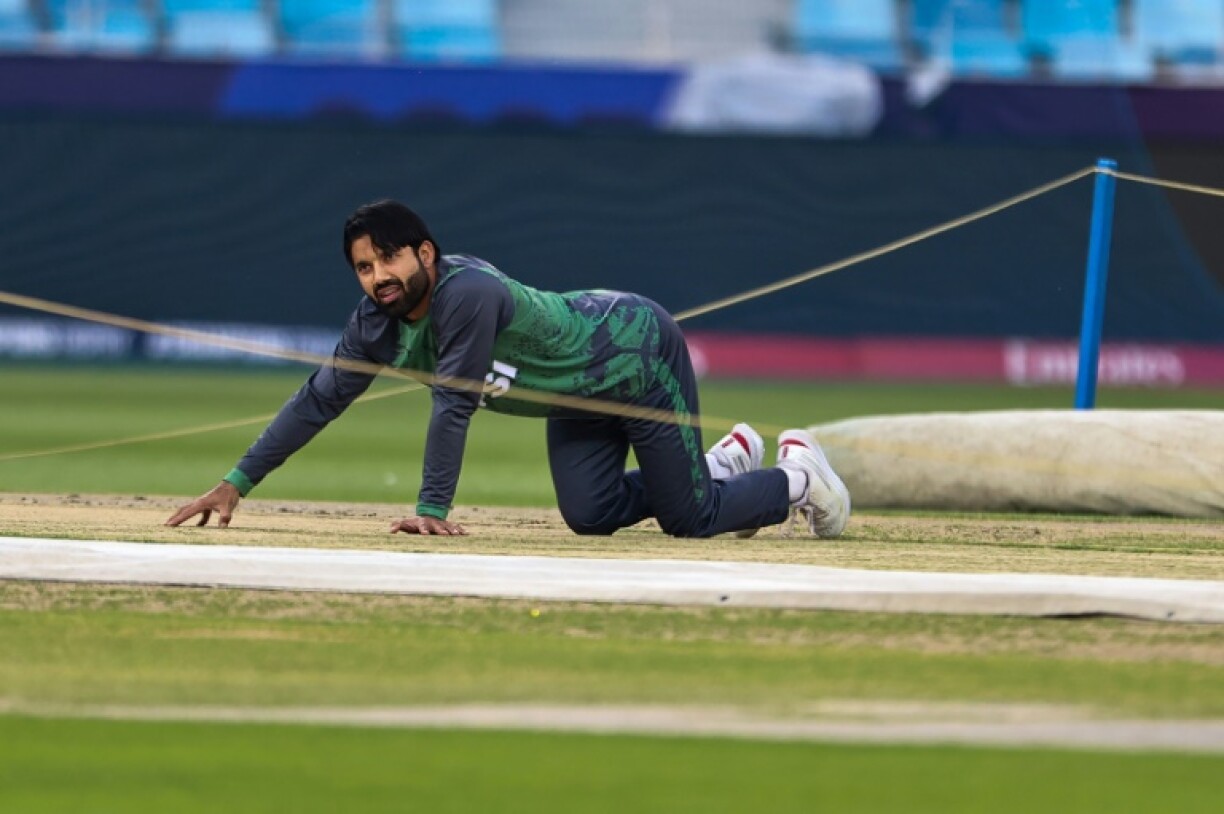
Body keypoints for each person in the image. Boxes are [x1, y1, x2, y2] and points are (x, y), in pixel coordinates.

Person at [166, 200, 850, 538]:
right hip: (579, 399)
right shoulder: (375, 322)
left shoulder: (466, 295)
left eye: (389, 260)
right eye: (364, 268)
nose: (378, 277)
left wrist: (431, 509)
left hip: (634, 356)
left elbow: (453, 403)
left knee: (689, 519)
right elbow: (319, 400)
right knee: (592, 514)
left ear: (425, 254)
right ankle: (725, 462)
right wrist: (235, 485)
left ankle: (798, 475)